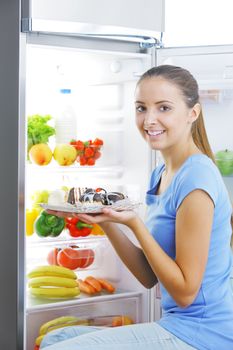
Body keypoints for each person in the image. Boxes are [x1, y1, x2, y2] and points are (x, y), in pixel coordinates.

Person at [41, 65, 233, 350]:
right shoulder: (161, 174)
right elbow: (148, 276)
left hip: (205, 332)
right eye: (141, 108)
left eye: (164, 108)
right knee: (55, 339)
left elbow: (185, 294)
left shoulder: (197, 177)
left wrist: (134, 224)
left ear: (193, 113)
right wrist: (106, 221)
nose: (149, 120)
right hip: (177, 324)